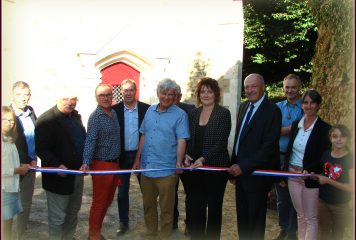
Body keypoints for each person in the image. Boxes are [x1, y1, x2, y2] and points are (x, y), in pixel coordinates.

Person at [132, 78, 190, 239]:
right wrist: (137, 160)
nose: (167, 97)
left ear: (175, 96)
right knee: (148, 205)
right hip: (146, 168)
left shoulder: (180, 115)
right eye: (164, 93)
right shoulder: (150, 110)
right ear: (158, 93)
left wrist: (179, 162)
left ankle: (164, 236)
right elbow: (143, 135)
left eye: (171, 94)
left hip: (166, 170)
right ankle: (151, 232)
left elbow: (181, 140)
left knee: (166, 208)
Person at [228, 73, 281, 240]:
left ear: (263, 87)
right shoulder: (244, 106)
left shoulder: (273, 111)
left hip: (257, 175)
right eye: (247, 87)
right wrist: (234, 165)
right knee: (243, 219)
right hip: (240, 175)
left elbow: (269, 147)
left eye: (253, 86)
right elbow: (239, 139)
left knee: (256, 221)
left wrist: (243, 166)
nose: (249, 90)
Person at [35, 88, 86, 240]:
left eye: (73, 99)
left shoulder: (76, 117)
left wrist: (86, 161)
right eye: (65, 99)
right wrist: (56, 165)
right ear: (56, 99)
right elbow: (41, 149)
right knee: (58, 218)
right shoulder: (46, 120)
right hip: (58, 177)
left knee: (73, 212)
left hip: (77, 174)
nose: (70, 103)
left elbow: (82, 140)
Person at [184, 77, 231, 239]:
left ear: (215, 94)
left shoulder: (223, 113)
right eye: (202, 91)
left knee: (214, 209)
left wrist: (203, 158)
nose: (206, 95)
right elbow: (189, 139)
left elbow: (220, 143)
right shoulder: (193, 114)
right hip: (196, 170)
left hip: (215, 169)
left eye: (209, 91)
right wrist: (187, 154)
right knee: (196, 208)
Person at [283, 89, 331, 240]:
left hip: (310, 178)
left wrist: (312, 170)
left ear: (318, 105)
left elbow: (325, 157)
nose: (308, 106)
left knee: (311, 218)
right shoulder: (296, 124)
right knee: (300, 215)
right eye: (305, 103)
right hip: (293, 175)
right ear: (301, 105)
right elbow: (290, 150)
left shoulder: (324, 129)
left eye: (312, 103)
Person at [80, 84, 121, 240]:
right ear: (96, 98)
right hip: (101, 165)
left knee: (108, 200)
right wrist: (86, 162)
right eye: (102, 95)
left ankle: (98, 230)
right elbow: (90, 140)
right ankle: (93, 234)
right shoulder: (95, 117)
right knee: (99, 201)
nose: (106, 98)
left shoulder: (113, 113)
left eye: (108, 95)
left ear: (112, 96)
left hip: (114, 164)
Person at [112, 79, 150, 235]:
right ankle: (123, 223)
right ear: (121, 92)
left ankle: (150, 222)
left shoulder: (146, 109)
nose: (128, 93)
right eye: (125, 90)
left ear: (136, 91)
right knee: (122, 193)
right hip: (121, 157)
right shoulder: (114, 110)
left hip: (141, 156)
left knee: (147, 191)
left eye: (131, 90)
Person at [273, 74, 303, 240]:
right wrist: (292, 127)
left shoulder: (305, 106)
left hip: (295, 158)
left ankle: (292, 231)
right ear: (283, 88)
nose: (290, 90)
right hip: (279, 157)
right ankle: (283, 227)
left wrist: (278, 130)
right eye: (287, 87)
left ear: (299, 88)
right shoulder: (277, 107)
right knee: (282, 196)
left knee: (295, 196)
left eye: (293, 87)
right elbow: (273, 130)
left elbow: (301, 128)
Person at [311, 124, 353, 240]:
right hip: (323, 202)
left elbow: (352, 187)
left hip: (341, 206)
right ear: (330, 138)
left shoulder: (350, 159)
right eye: (335, 136)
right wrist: (310, 175)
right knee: (323, 233)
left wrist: (328, 181)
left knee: (337, 235)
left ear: (348, 138)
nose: (339, 139)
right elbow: (324, 174)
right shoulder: (325, 154)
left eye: (343, 136)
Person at [10, 81, 37, 239]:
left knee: (25, 204)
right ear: (13, 95)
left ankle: (19, 234)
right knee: (9, 204)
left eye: (26, 94)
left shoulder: (31, 112)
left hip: (30, 167)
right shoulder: (6, 114)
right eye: (19, 95)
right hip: (13, 167)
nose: (23, 98)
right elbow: (10, 143)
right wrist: (27, 159)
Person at [2, 106, 30, 240]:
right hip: (4, 189)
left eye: (12, 120)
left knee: (8, 224)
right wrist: (17, 170)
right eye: (6, 120)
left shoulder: (9, 140)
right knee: (4, 226)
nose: (10, 123)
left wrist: (20, 166)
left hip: (12, 188)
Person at [173, 84, 195, 231]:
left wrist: (188, 154)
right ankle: (173, 221)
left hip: (187, 159)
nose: (172, 98)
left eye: (176, 95)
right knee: (170, 193)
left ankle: (189, 223)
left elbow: (194, 135)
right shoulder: (161, 110)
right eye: (169, 94)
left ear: (180, 96)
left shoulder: (190, 110)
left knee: (190, 193)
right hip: (170, 160)